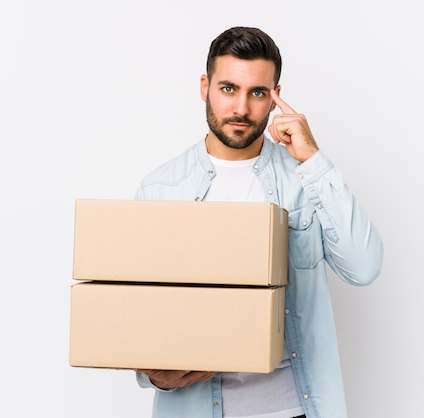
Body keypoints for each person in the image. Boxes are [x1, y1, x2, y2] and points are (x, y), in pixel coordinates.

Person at [134, 26, 383, 418]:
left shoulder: (303, 179)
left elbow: (364, 267)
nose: (241, 109)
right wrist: (154, 376)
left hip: (292, 410)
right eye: (228, 88)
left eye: (258, 93)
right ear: (205, 87)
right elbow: (137, 316)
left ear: (275, 97)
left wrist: (314, 160)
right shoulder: (161, 188)